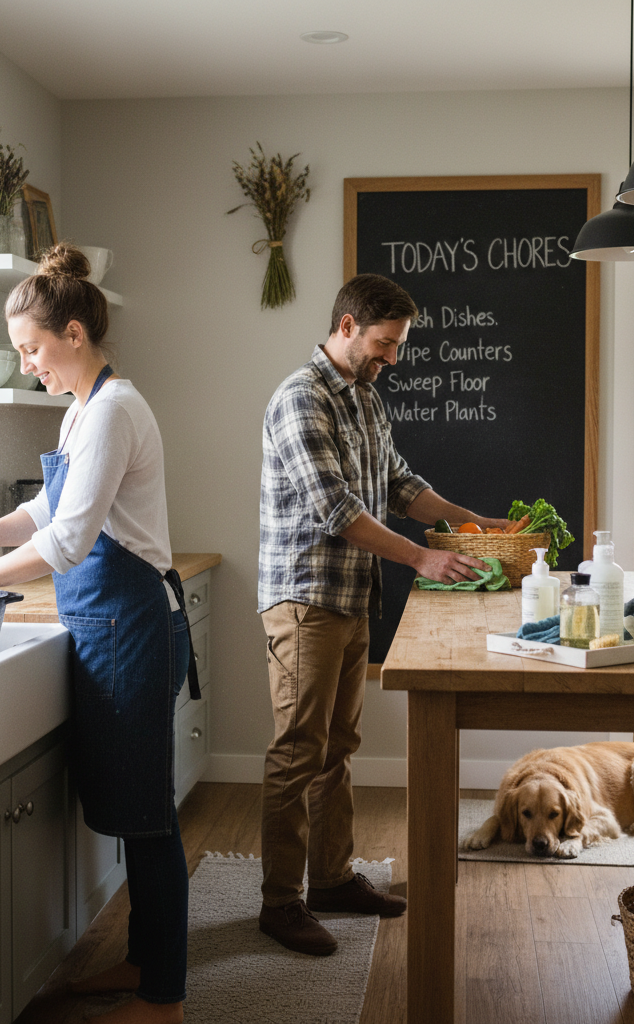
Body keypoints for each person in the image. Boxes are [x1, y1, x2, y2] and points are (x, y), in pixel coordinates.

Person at [0, 243, 194, 1024]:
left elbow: (68, 543)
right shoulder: (82, 409)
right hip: (108, 626)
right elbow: (47, 512)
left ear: (74, 334)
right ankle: (143, 961)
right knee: (136, 810)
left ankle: (164, 1000)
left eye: (31, 348)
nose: (26, 365)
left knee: (148, 818)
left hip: (132, 629)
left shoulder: (112, 411)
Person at [257, 273, 508, 956]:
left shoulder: (363, 397)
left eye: (398, 346)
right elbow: (335, 509)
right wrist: (422, 558)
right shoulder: (301, 399)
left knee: (337, 749)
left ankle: (331, 880)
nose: (392, 359)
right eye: (384, 344)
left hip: (349, 597)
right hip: (305, 600)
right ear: (346, 327)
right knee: (297, 752)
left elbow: (400, 485)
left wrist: (472, 523)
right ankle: (279, 904)